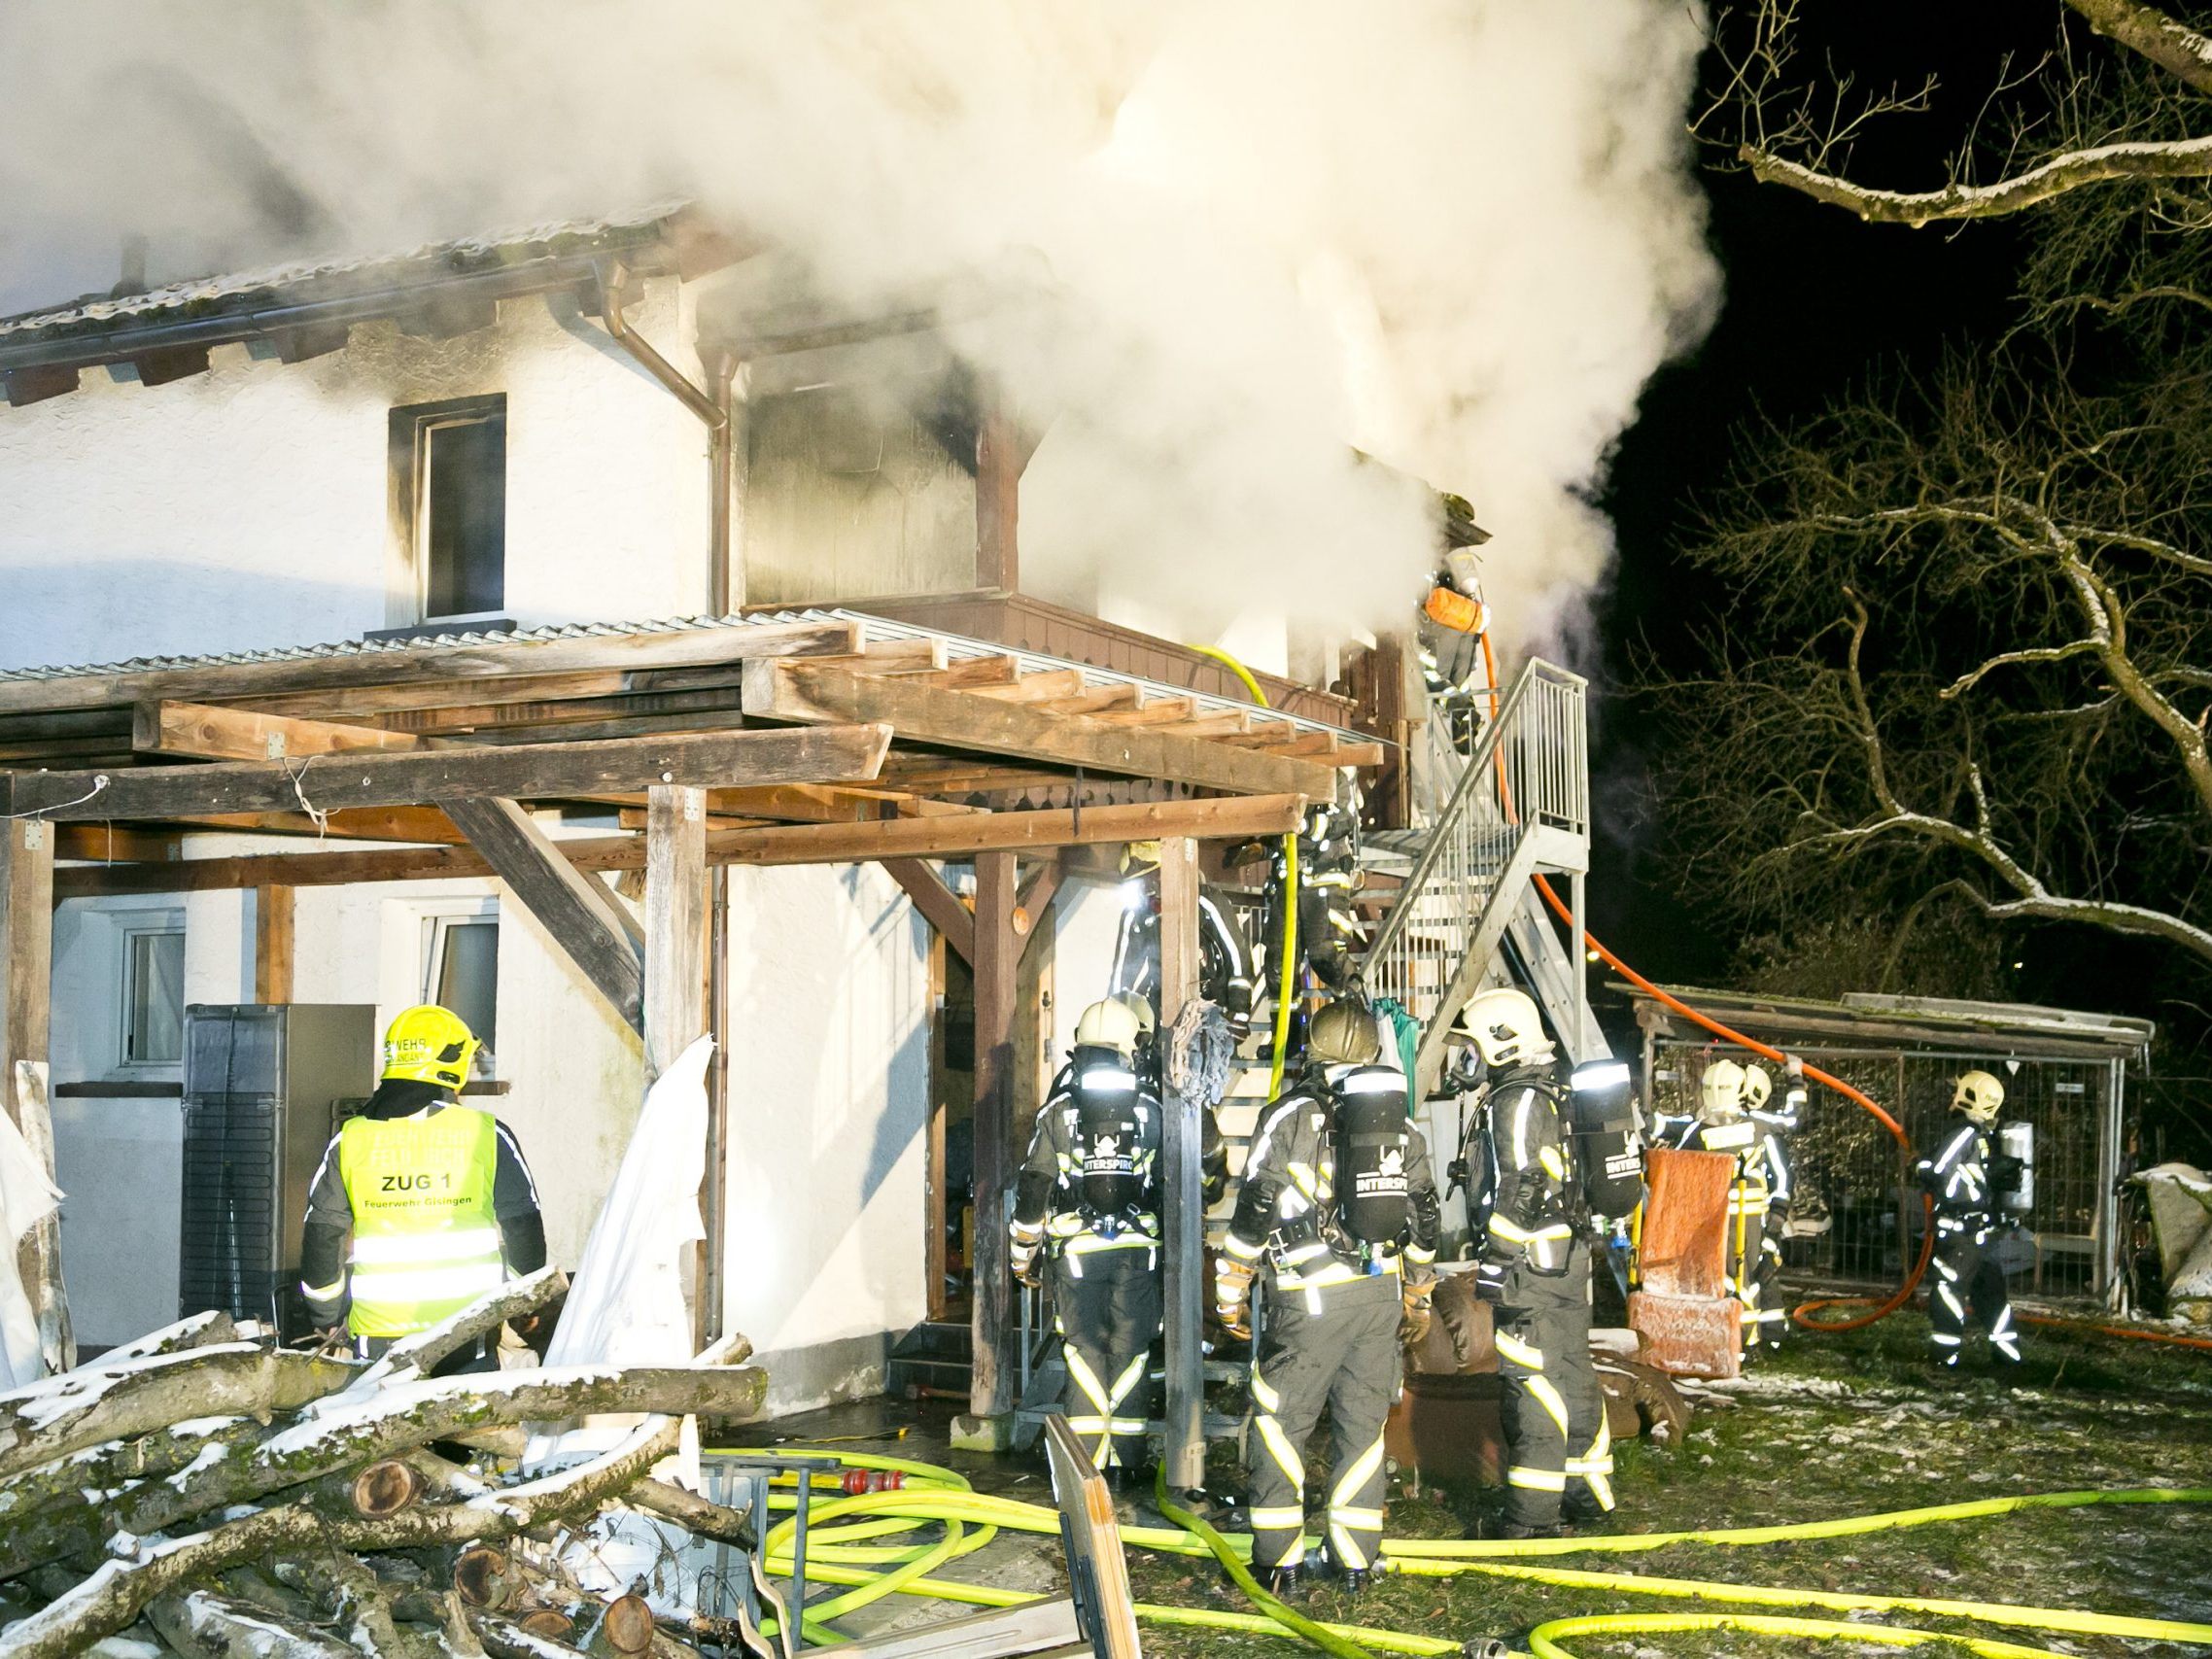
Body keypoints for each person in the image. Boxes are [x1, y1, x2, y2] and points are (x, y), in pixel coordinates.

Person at [1216, 998, 1440, 1596]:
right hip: (1379, 1293)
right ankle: (1354, 1562)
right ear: (1372, 1051)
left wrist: (1230, 1285)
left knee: (1280, 1424)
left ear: (1313, 1048)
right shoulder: (1400, 1123)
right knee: (1363, 1428)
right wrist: (1417, 1293)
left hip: (1311, 1298)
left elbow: (1256, 1202)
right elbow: (1425, 1214)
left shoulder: (1290, 1115)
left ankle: (1278, 1562)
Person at [300, 1005, 545, 1368]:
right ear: (453, 1060)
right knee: (469, 1423)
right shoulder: (486, 1133)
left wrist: (326, 1317)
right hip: (469, 1329)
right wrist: (524, 1307)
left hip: (378, 1334)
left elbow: (322, 1238)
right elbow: (524, 1227)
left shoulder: (350, 1139)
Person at [1460, 987, 1611, 1539]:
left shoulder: (1518, 1099)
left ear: (1502, 1042)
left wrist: (1496, 1260)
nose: (1466, 1061)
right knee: (1573, 1375)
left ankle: (1531, 1518)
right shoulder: (1553, 1089)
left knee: (1533, 1387)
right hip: (1567, 1262)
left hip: (1531, 1271)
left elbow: (1521, 1184)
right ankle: (1587, 1495)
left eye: (1472, 1047)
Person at [1010, 999, 1165, 1479]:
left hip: (1075, 1255)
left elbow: (1035, 1184)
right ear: (1129, 1044)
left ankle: (1087, 1466)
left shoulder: (1058, 1110)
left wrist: (1022, 1255)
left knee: (1082, 1353)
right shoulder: (1153, 1107)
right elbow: (1170, 1183)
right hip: (1137, 1252)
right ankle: (1128, 1461)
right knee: (1131, 1351)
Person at [1669, 1058, 1791, 1357]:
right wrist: (1779, 1211)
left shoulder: (1697, 1132)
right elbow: (1784, 1173)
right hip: (1752, 1219)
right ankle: (1762, 1339)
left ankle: (1746, 1342)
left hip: (1718, 1218)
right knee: (1755, 1274)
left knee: (1735, 1277)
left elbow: (1675, 1166)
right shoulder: (1760, 1128)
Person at [1915, 1070, 2024, 1370]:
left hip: (1961, 1233)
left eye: (1959, 1090)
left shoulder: (1964, 1131)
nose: (1954, 1096)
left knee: (1947, 1290)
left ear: (1970, 1095)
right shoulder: (1986, 1136)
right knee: (1990, 1296)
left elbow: (1937, 1171)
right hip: (1983, 1232)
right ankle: (2009, 1357)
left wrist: (1919, 1166)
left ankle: (1943, 1358)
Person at [1109, 843, 1259, 1039]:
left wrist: (1239, 1012)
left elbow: (1238, 957)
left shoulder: (1206, 902)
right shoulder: (1136, 916)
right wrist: (1115, 1020)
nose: (1145, 891)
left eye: (1147, 881)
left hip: (1214, 1012)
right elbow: (1123, 973)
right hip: (1165, 1013)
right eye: (1136, 884)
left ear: (1165, 873)